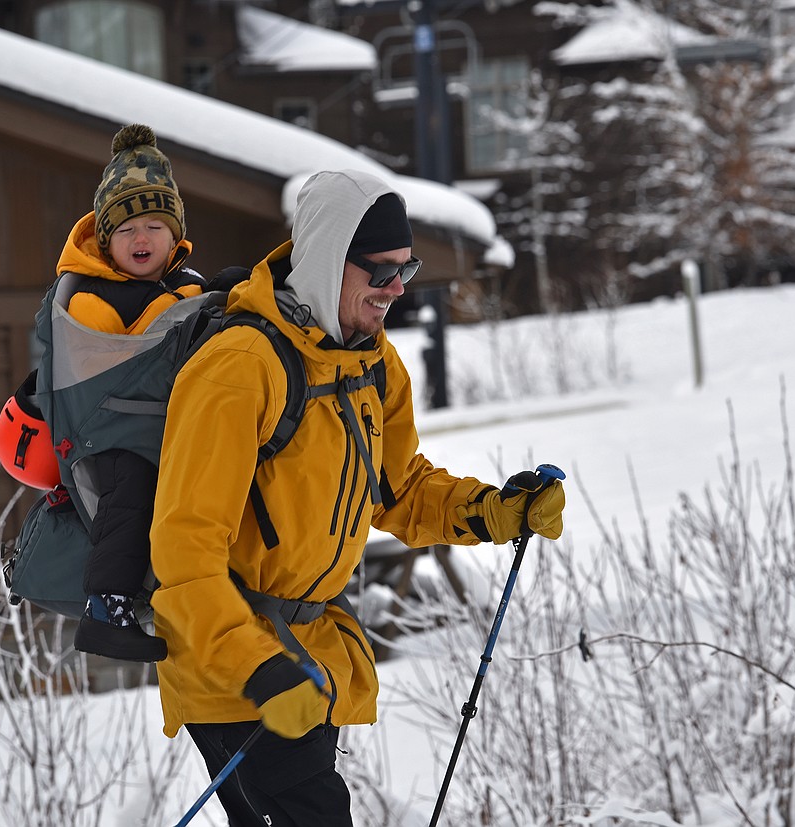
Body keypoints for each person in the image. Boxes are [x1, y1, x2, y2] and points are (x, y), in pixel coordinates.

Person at [148, 168, 566, 824]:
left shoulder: (369, 361)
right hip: (235, 666)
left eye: (407, 267)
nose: (398, 288)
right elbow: (184, 552)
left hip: (309, 658)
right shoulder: (238, 370)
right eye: (380, 271)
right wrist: (256, 667)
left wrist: (493, 510)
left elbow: (399, 488)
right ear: (326, 259)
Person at [61, 123, 204, 662]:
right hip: (111, 434)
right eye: (126, 231)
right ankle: (106, 607)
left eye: (153, 226)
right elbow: (121, 355)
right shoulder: (92, 298)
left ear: (175, 236)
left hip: (169, 425)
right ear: (105, 240)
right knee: (132, 496)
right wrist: (200, 304)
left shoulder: (185, 283)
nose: (140, 240)